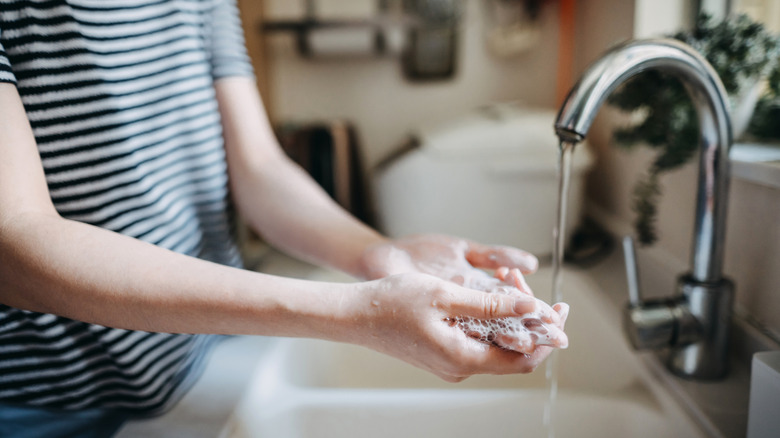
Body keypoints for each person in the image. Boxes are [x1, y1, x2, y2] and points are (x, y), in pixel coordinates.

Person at [0, 1, 568, 436]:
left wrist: (380, 254)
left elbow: (260, 167)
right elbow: (15, 245)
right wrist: (360, 311)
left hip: (195, 359)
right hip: (43, 399)